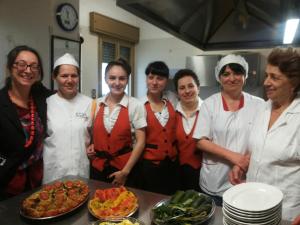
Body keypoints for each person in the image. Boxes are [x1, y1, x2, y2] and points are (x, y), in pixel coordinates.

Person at [229, 48, 300, 224]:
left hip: (285, 212)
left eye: (274, 77)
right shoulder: (263, 108)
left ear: (293, 82)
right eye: (266, 75)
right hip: (253, 206)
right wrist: (245, 163)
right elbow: (259, 148)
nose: (266, 82)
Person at [193, 54, 264, 205]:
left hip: (245, 179)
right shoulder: (209, 104)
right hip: (214, 182)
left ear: (245, 76)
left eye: (237, 73)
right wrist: (234, 157)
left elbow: (262, 139)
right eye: (226, 74)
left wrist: (240, 163)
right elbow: (201, 142)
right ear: (219, 78)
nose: (232, 78)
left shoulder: (259, 105)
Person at [0, 45, 52, 199]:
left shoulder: (40, 96)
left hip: (38, 183)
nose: (28, 70)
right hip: (8, 185)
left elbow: (65, 97)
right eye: (22, 64)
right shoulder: (1, 102)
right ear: (10, 67)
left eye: (34, 66)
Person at [88, 58, 146, 187]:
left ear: (127, 80)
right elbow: (93, 133)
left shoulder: (135, 105)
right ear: (105, 79)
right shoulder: (95, 104)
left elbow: (140, 142)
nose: (117, 83)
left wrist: (125, 172)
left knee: (122, 204)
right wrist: (91, 145)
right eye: (112, 78)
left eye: (122, 78)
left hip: (125, 168)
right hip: (98, 168)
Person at [43, 53, 93, 184]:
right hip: (54, 172)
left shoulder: (90, 103)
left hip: (80, 170)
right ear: (55, 77)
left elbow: (95, 135)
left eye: (74, 76)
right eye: (64, 76)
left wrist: (93, 145)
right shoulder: (46, 104)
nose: (69, 80)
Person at [139, 61, 179, 195]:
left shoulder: (173, 99)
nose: (154, 82)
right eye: (151, 78)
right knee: (150, 200)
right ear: (146, 79)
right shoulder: (138, 105)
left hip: (173, 163)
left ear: (166, 81)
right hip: (149, 165)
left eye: (160, 78)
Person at [173, 69, 203, 191]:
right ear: (177, 92)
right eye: (182, 88)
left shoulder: (208, 111)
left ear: (198, 88)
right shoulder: (171, 112)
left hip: (203, 173)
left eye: (191, 86)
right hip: (177, 172)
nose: (187, 91)